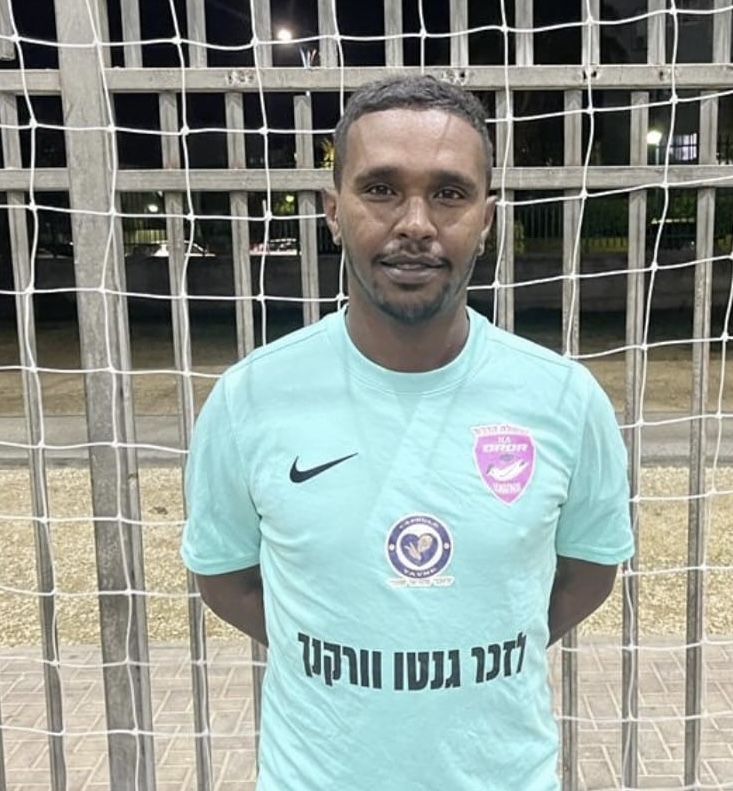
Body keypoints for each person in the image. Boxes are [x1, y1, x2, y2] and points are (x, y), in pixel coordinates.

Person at [181, 74, 634, 791]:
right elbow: (226, 577)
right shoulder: (249, 398)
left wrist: (465, 640)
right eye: (382, 189)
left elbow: (586, 573)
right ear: (334, 211)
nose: (416, 223)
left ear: (486, 218)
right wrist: (357, 640)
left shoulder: (564, 400)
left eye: (449, 193)